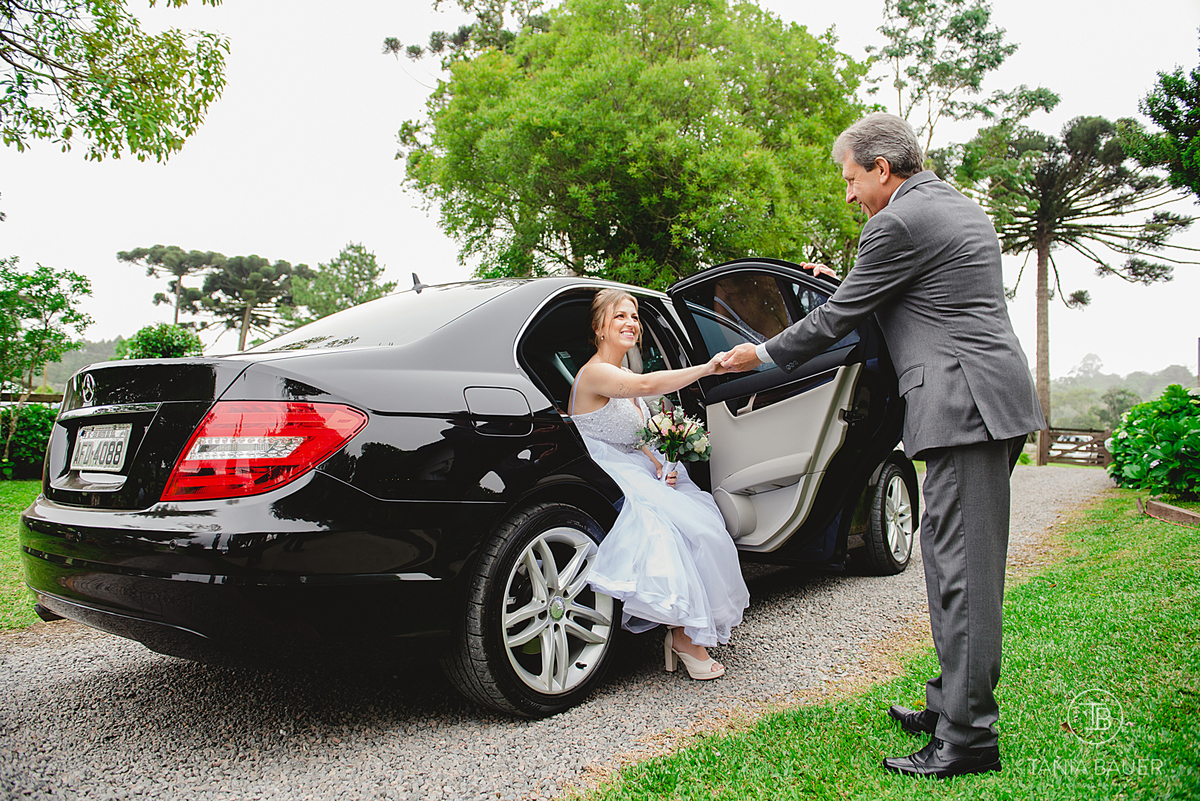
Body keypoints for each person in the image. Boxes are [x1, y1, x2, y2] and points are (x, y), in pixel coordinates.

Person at [721, 113, 1045, 777]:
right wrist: (839, 281)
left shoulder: (894, 222)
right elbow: (915, 295)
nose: (848, 194)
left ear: (881, 168)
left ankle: (969, 739)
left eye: (850, 179)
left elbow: (842, 319)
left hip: (965, 407)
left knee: (964, 577)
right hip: (985, 400)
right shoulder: (948, 202)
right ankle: (949, 703)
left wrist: (762, 351)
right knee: (954, 563)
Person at [570, 288, 750, 680]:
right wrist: (707, 369)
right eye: (620, 316)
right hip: (609, 474)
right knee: (683, 530)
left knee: (705, 526)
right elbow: (650, 387)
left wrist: (663, 462)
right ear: (599, 327)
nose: (631, 323)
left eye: (634, 316)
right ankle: (685, 636)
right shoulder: (595, 372)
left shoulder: (625, 375)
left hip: (639, 468)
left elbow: (639, 437)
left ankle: (685, 634)